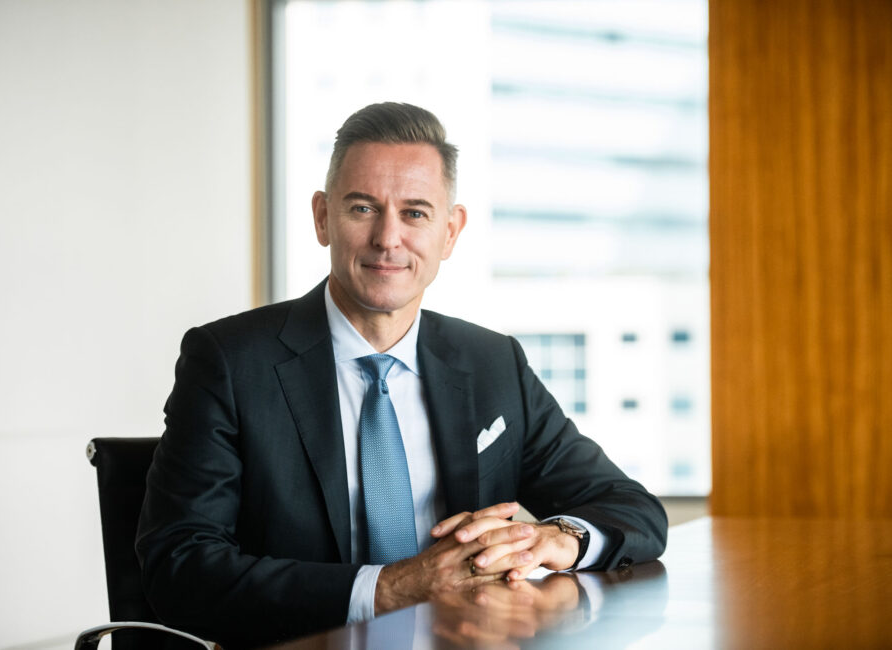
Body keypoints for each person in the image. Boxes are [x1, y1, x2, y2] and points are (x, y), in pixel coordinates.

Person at [136, 102, 667, 648]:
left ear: (450, 232)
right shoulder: (227, 360)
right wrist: (386, 590)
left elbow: (633, 509)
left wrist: (554, 538)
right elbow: (179, 565)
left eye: (415, 213)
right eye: (363, 208)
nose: (388, 239)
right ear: (323, 218)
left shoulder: (491, 362)